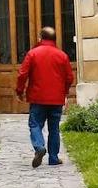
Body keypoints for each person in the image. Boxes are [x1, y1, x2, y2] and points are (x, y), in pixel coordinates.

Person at [15, 26, 76, 167]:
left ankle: (39, 147)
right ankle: (53, 158)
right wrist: (64, 93)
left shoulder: (32, 54)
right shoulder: (62, 56)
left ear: (40, 38)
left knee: (35, 124)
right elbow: (69, 77)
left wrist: (19, 91)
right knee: (54, 128)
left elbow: (22, 74)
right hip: (56, 99)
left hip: (37, 98)